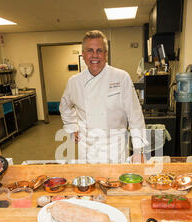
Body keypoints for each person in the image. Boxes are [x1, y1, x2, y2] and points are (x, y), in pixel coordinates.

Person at [59, 30, 148, 163]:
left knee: (116, 182)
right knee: (89, 181)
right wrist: (72, 127)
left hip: (115, 147)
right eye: (90, 50)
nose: (95, 55)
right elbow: (65, 107)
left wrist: (138, 150)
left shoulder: (121, 77)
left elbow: (135, 115)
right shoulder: (74, 82)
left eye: (99, 50)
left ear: (106, 54)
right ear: (83, 54)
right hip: (87, 148)